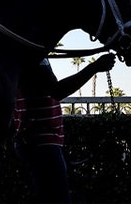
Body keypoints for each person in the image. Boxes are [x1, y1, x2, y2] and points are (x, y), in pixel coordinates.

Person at [14, 54, 117, 203]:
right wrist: (94, 67)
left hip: (41, 141)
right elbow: (58, 91)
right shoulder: (33, 55)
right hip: (42, 142)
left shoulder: (34, 52)